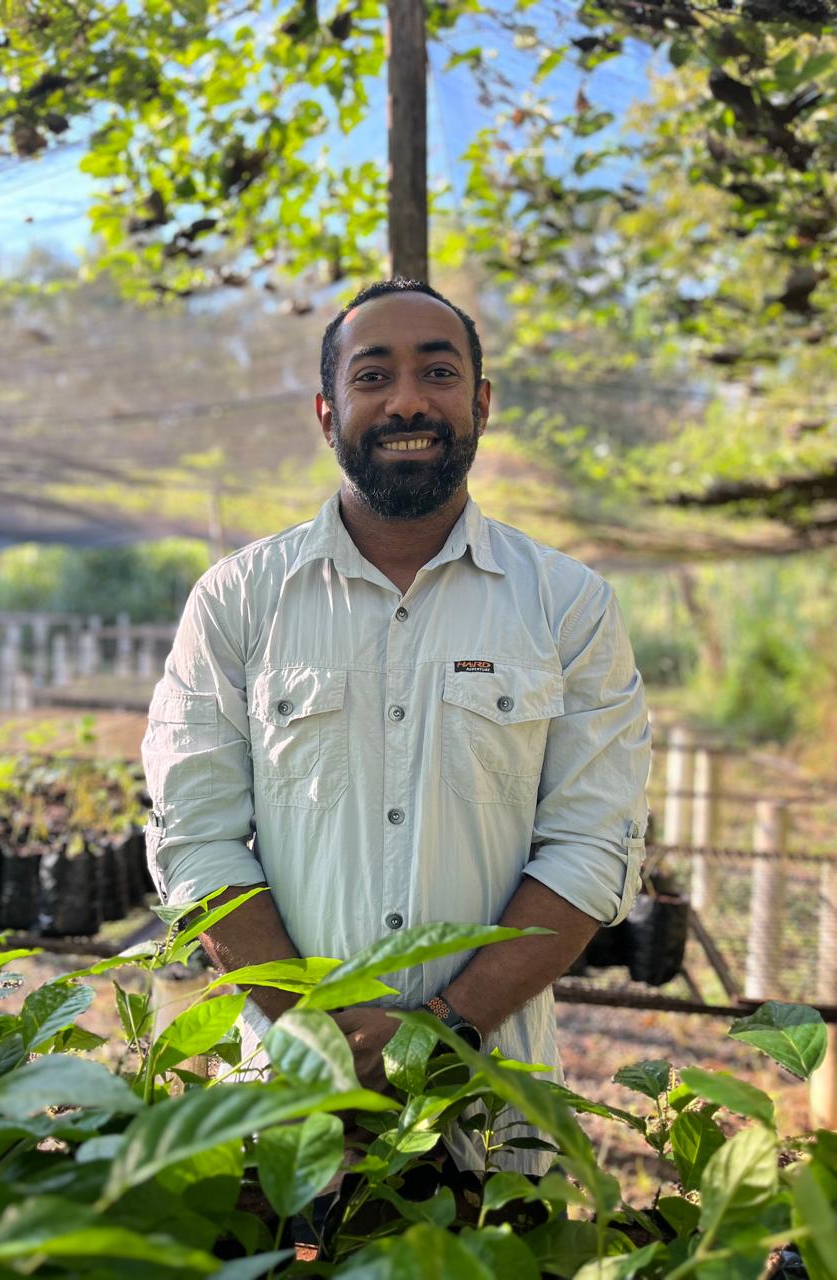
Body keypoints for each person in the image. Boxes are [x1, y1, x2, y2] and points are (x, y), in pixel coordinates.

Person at [142, 277, 651, 1176]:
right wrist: (311, 1032)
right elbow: (195, 838)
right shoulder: (240, 601)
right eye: (372, 376)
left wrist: (443, 1032)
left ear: (481, 405)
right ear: (327, 410)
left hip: (493, 1120)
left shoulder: (566, 606)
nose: (407, 400)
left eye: (439, 373)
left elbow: (591, 848)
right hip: (293, 1110)